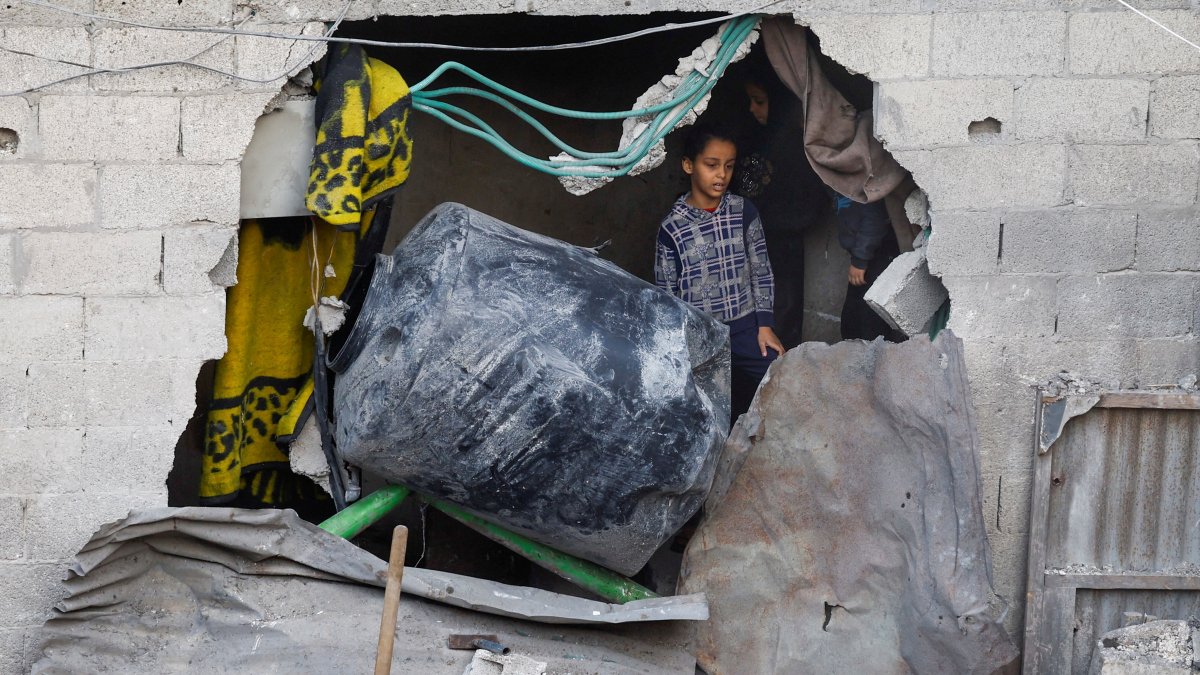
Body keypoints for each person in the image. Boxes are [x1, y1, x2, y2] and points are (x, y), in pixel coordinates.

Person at [655, 124, 785, 424]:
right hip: (700, 336)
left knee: (780, 377)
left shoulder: (743, 211)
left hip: (747, 327)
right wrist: (679, 346)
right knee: (708, 414)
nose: (721, 175)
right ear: (689, 165)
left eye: (728, 166)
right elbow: (666, 295)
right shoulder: (672, 228)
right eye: (711, 165)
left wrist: (764, 325)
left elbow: (761, 270)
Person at [731, 64, 829, 349]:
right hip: (744, 249)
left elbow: (809, 204)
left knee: (780, 317)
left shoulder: (798, 150)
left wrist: (769, 222)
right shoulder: (751, 139)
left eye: (759, 101)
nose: (752, 108)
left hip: (781, 250)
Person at [833, 194, 906, 342]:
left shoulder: (865, 187)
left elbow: (875, 221)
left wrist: (860, 259)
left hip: (877, 256)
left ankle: (872, 359)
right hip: (864, 257)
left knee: (869, 324)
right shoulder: (839, 186)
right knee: (853, 321)